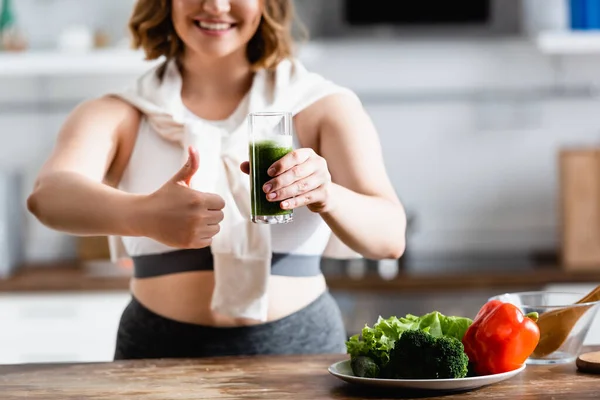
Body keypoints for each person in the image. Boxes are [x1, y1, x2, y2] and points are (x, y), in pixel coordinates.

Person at [27, 0, 406, 360]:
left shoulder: (323, 106)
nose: (216, 5)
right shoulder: (120, 112)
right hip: (155, 350)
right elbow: (48, 196)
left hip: (300, 348)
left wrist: (328, 194)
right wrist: (143, 215)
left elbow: (389, 238)